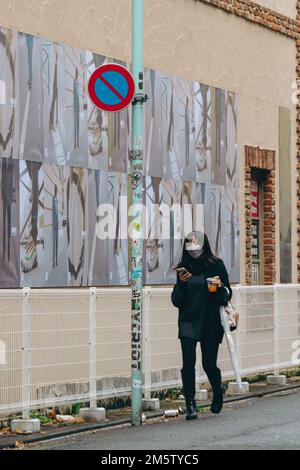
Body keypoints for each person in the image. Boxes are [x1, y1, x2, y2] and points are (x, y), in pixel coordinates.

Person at [171, 231, 232, 420]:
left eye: (197, 250)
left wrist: (219, 287)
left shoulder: (216, 265)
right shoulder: (183, 268)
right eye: (191, 250)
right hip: (188, 321)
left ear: (204, 247)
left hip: (210, 320)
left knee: (208, 364)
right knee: (188, 363)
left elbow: (228, 294)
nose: (194, 254)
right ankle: (190, 403)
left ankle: (218, 391)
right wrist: (182, 284)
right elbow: (177, 301)